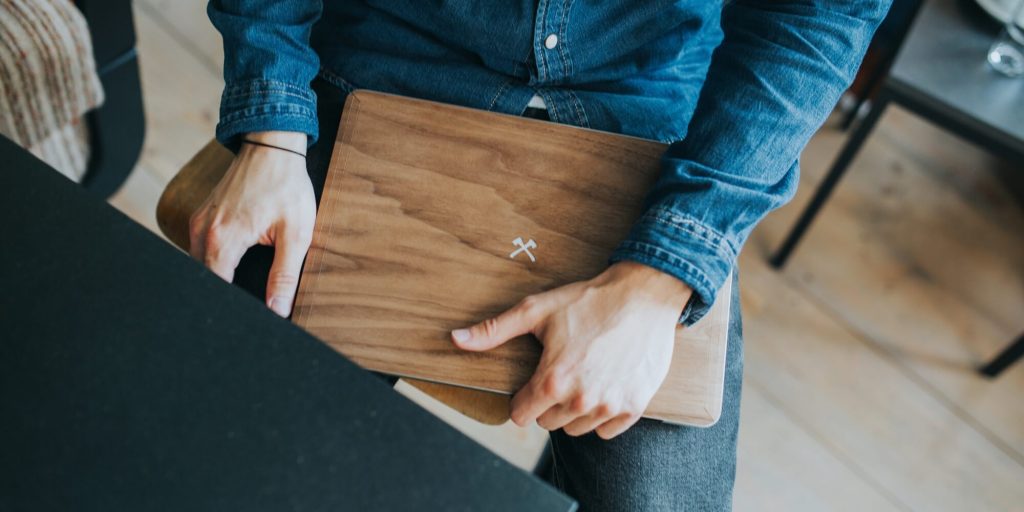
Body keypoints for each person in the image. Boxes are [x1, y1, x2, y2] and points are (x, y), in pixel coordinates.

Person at [195, 1, 889, 509]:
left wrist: (661, 276)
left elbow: (817, 21)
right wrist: (272, 124)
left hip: (646, 131)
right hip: (383, 75)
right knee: (225, 457)